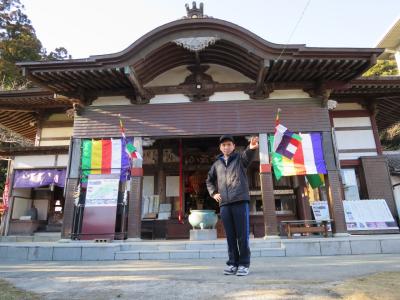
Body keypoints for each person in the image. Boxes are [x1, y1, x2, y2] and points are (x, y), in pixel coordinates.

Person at [206, 134, 259, 276]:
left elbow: (247, 156)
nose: (226, 147)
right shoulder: (216, 164)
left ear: (233, 146)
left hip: (240, 201)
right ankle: (232, 263)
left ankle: (244, 264)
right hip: (224, 204)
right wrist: (213, 193)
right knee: (230, 236)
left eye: (229, 144)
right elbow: (209, 180)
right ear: (220, 147)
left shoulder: (240, 159)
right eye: (223, 145)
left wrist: (251, 148)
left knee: (242, 235)